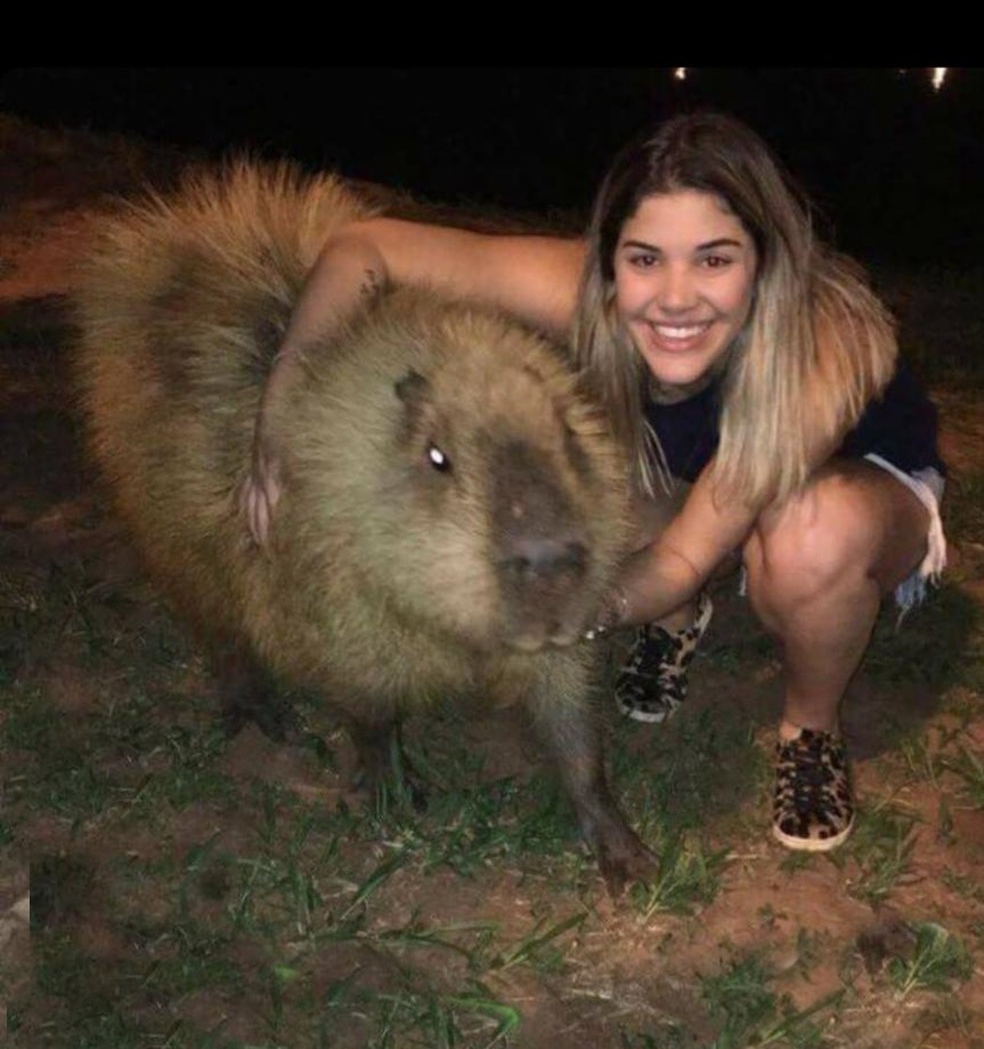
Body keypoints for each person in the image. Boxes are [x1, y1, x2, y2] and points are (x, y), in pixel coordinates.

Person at [245, 112, 946, 854]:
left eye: (715, 260)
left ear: (765, 259)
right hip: (695, 477)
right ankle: (680, 621)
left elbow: (682, 555)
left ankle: (810, 728)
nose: (675, 298)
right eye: (646, 259)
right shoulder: (588, 292)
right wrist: (282, 398)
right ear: (611, 260)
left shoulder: (816, 348)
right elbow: (366, 249)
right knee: (592, 483)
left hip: (849, 490)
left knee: (807, 536)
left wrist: (578, 607)